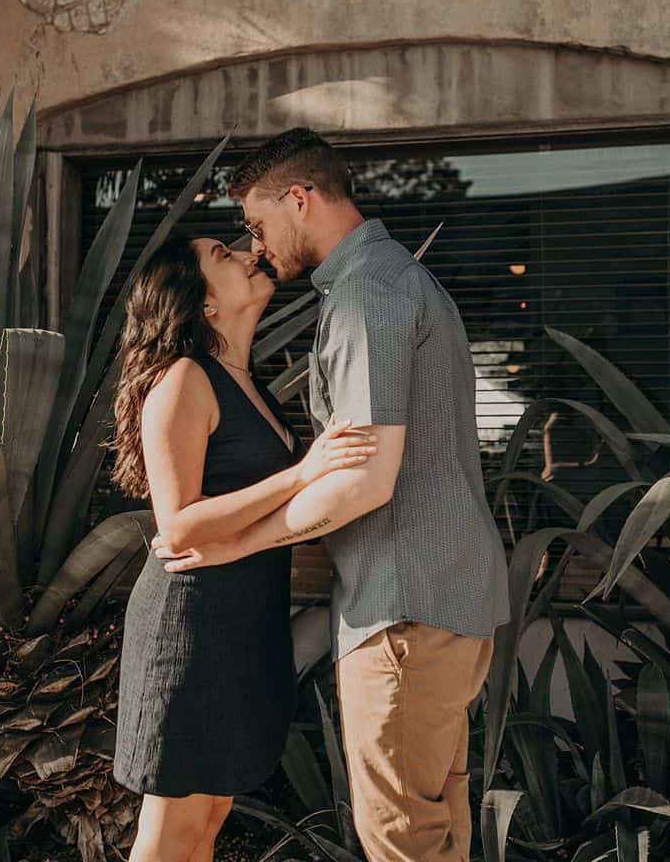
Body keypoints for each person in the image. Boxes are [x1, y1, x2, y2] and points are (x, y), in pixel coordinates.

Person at [153, 128, 511, 862]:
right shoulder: (392, 281)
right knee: (439, 833)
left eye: (256, 225)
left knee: (402, 841)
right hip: (441, 601)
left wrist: (237, 540)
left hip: (403, 607)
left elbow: (364, 480)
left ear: (300, 199)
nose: (256, 245)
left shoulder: (365, 296)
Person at [108, 232, 379, 862]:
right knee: (172, 829)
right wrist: (303, 472)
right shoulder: (182, 380)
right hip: (190, 619)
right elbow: (176, 525)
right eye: (221, 257)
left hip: (243, 617)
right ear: (200, 301)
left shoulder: (245, 382)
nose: (244, 253)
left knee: (207, 822)